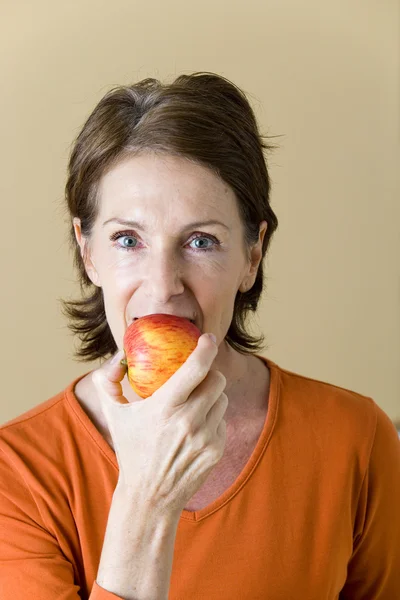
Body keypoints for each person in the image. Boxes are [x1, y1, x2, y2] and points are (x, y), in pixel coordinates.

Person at [0, 71, 399, 600]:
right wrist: (147, 496)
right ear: (87, 251)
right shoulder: (16, 475)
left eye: (201, 241)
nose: (163, 287)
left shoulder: (357, 437)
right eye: (127, 239)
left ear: (252, 256)